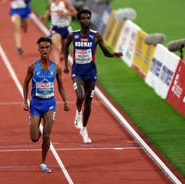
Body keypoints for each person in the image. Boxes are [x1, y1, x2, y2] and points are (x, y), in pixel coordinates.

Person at [63, 9, 123, 143]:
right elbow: (66, 46)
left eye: (88, 18)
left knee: (89, 103)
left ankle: (84, 129)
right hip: (77, 72)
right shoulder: (73, 35)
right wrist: (66, 65)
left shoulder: (96, 36)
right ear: (79, 20)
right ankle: (78, 112)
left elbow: (106, 53)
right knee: (80, 96)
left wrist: (114, 55)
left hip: (91, 73)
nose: (86, 20)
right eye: (83, 18)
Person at [23, 37, 70, 173]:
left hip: (50, 103)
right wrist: (24, 100)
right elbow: (25, 83)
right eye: (42, 47)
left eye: (46, 47)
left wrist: (65, 101)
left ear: (51, 49)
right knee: (34, 138)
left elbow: (61, 86)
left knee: (47, 136)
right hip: (36, 104)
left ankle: (43, 162)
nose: (44, 50)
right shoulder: (32, 67)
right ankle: (34, 123)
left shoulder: (56, 68)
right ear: (38, 49)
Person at [41, 0, 77, 66]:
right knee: (57, 48)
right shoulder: (51, 2)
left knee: (64, 48)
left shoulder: (65, 2)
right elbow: (49, 10)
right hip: (55, 28)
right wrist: (44, 17)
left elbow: (74, 12)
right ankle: (58, 69)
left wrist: (63, 14)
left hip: (65, 28)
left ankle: (63, 52)